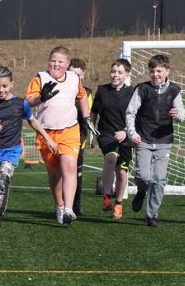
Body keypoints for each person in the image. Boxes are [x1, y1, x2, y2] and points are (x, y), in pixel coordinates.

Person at [0, 66, 59, 231]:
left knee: (3, 178)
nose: (1, 90)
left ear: (12, 84)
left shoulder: (20, 104)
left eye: (5, 86)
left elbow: (33, 121)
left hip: (11, 150)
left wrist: (47, 137)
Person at [25, 46, 98, 225]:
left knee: (70, 167)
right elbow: (28, 102)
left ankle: (68, 209)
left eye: (60, 62)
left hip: (70, 129)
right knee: (55, 174)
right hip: (46, 132)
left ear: (68, 63)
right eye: (53, 61)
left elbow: (82, 96)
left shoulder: (74, 78)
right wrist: (41, 97)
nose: (56, 64)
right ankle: (59, 205)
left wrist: (86, 117)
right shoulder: (40, 78)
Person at [125, 54, 185, 227]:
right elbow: (130, 112)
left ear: (167, 71)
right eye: (152, 71)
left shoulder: (174, 90)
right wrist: (132, 133)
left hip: (164, 141)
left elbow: (181, 112)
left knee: (159, 179)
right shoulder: (142, 89)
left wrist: (177, 115)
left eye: (159, 71)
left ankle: (152, 215)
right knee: (143, 177)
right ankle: (141, 191)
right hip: (142, 139)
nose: (155, 74)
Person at [90, 58, 135, 219]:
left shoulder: (132, 93)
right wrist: (91, 131)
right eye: (113, 71)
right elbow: (94, 111)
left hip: (126, 135)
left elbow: (137, 116)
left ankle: (119, 204)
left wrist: (125, 131)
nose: (115, 75)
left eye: (120, 72)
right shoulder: (102, 90)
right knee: (110, 158)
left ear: (127, 75)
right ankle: (106, 198)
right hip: (106, 133)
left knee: (122, 173)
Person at [67, 58, 94, 216]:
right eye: (71, 73)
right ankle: (64, 204)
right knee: (64, 171)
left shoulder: (88, 93)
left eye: (77, 74)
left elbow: (88, 115)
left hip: (79, 137)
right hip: (63, 136)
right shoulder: (61, 90)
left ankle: (76, 205)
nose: (74, 77)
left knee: (77, 172)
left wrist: (90, 135)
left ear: (82, 75)